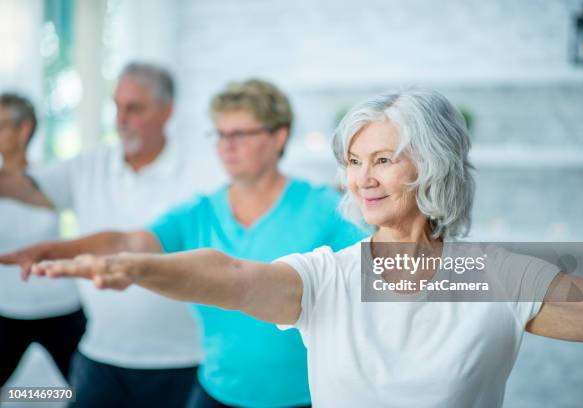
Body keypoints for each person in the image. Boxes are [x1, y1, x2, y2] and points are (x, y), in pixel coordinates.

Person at [20, 87, 583, 407]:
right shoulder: (329, 278)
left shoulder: (492, 276)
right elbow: (231, 275)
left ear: (434, 165)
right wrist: (133, 267)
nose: (363, 178)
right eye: (354, 162)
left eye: (383, 159)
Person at [1, 79, 366, 407]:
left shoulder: (323, 208)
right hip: (215, 391)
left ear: (279, 137)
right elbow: (130, 239)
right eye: (221, 135)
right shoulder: (200, 212)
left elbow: (383, 278)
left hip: (300, 396)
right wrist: (55, 249)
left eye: (240, 134)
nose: (227, 146)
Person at [0, 63, 214, 407]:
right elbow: (26, 188)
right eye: (117, 106)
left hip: (182, 360)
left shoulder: (204, 170)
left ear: (167, 111)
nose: (121, 119)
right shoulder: (90, 165)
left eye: (135, 108)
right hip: (102, 355)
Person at [0, 93, 85, 386]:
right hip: (7, 309)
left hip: (60, 306)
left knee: (87, 392)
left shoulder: (52, 177)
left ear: (23, 130)